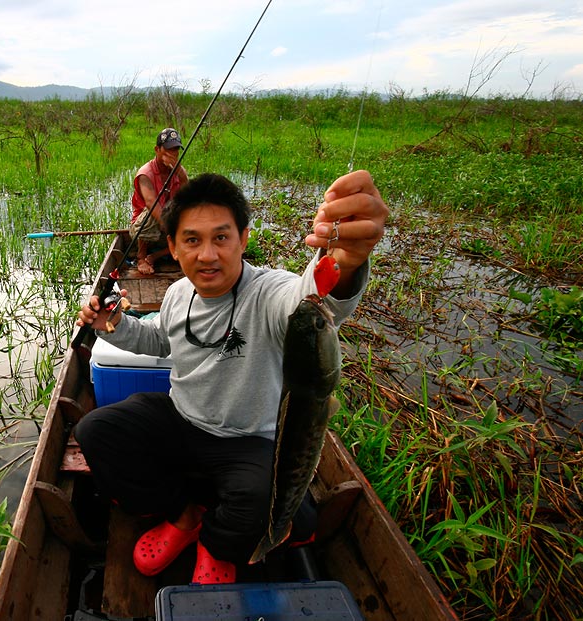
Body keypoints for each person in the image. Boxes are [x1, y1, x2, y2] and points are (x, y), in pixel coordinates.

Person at [74, 170, 387, 584]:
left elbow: (308, 299)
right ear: (173, 246)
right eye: (192, 240)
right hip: (183, 419)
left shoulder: (268, 293)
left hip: (247, 439)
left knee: (264, 503)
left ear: (243, 239)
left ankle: (217, 544)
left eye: (221, 237)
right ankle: (184, 518)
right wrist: (113, 324)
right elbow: (161, 341)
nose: (207, 255)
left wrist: (345, 261)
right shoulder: (179, 294)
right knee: (96, 430)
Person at [130, 127, 189, 275]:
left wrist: (180, 173)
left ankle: (155, 256)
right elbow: (151, 202)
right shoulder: (146, 173)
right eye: (168, 149)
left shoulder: (178, 171)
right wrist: (168, 225)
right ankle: (141, 257)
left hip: (166, 224)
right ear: (157, 149)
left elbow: (188, 194)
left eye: (176, 149)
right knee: (151, 214)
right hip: (145, 227)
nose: (173, 154)